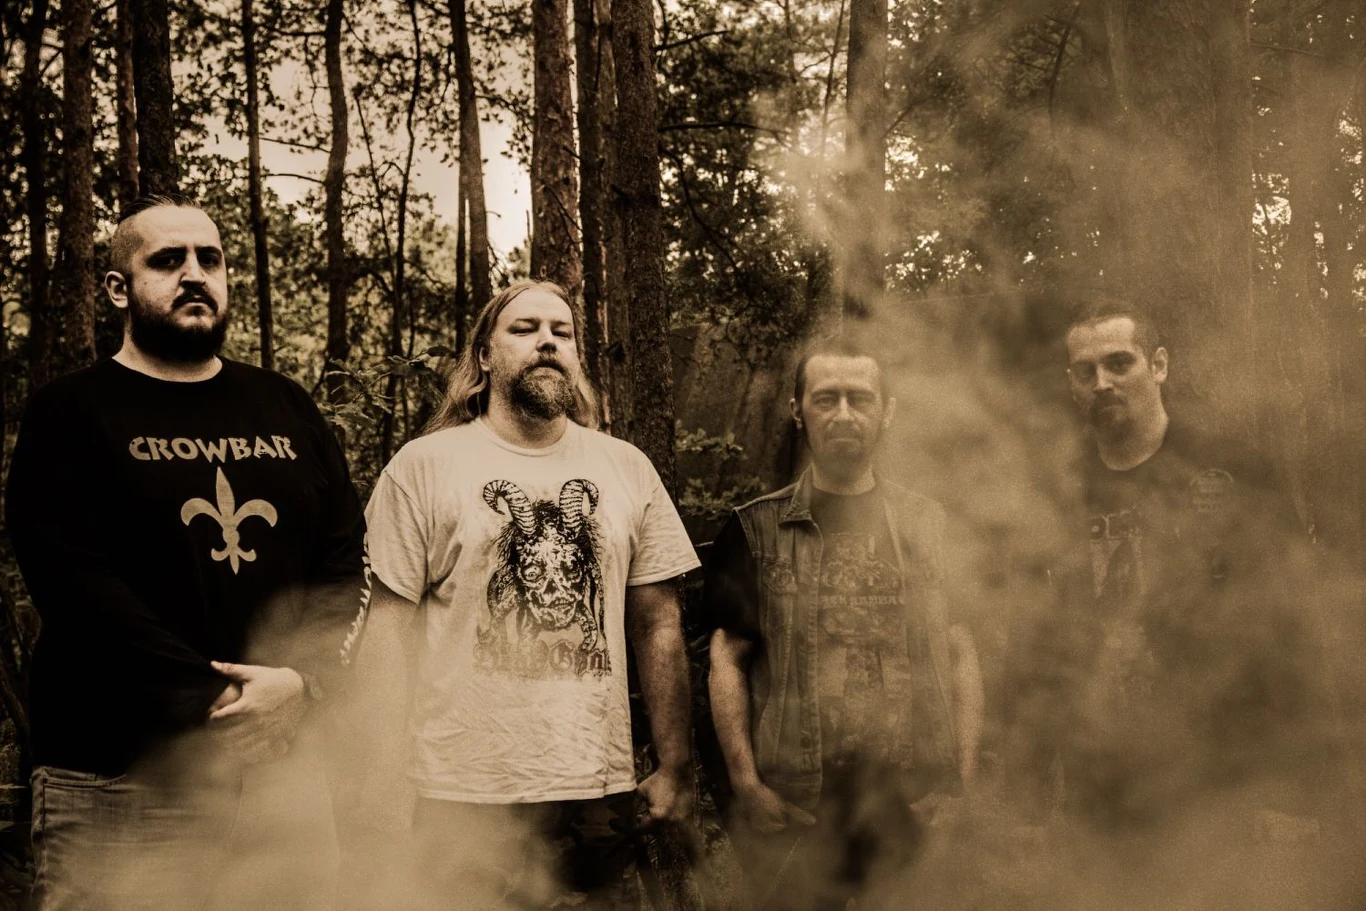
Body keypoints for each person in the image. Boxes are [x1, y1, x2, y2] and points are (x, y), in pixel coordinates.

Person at [6, 194, 368, 910]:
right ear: (120, 289)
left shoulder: (286, 405)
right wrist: (222, 700)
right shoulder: (69, 412)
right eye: (168, 260)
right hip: (120, 781)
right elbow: (73, 582)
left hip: (283, 780)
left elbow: (344, 562)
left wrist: (304, 679)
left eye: (211, 259)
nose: (195, 274)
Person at [354, 279, 701, 908]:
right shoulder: (423, 467)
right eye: (524, 329)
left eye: (561, 332)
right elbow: (385, 632)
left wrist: (676, 766)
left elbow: (658, 624)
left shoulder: (625, 467)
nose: (547, 341)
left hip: (594, 787)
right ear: (484, 356)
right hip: (457, 792)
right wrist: (380, 777)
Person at [1012, 298, 1318, 837]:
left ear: (1158, 365)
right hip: (1102, 791)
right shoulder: (1055, 493)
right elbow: (1038, 652)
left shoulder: (1236, 474)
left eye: (1119, 363)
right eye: (1086, 371)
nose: (1102, 383)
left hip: (1227, 786)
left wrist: (1297, 791)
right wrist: (1030, 797)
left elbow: (1297, 633)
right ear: (1072, 383)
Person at [705, 339, 984, 911]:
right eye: (826, 398)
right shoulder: (756, 530)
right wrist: (747, 786)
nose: (843, 413)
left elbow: (961, 652)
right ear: (798, 410)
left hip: (910, 798)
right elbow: (727, 660)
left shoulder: (931, 526)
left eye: (860, 398)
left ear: (888, 410)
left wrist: (962, 780)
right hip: (800, 804)